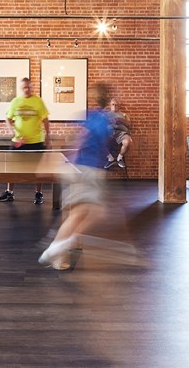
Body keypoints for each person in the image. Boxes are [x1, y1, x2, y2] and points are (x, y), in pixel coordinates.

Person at [39, 82, 115, 270]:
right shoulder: (100, 118)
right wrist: (70, 164)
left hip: (87, 169)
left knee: (77, 214)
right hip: (86, 170)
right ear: (106, 99)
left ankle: (58, 255)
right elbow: (82, 139)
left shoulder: (94, 116)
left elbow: (80, 138)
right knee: (91, 213)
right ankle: (55, 248)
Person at [0, 77, 51, 204]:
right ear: (21, 88)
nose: (26, 89)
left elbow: (45, 119)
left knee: (37, 169)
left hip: (36, 141)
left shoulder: (38, 101)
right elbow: (8, 119)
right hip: (18, 141)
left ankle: (38, 193)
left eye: (28, 87)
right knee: (12, 168)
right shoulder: (15, 101)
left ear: (31, 87)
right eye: (24, 87)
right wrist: (12, 131)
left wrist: (48, 135)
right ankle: (9, 192)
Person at [105, 98, 133, 170]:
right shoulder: (106, 115)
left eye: (116, 105)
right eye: (113, 104)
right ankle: (110, 159)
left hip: (122, 133)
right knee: (98, 141)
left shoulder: (124, 115)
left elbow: (129, 125)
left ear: (119, 106)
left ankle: (119, 158)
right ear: (110, 105)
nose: (114, 106)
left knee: (128, 142)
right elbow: (101, 125)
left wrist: (120, 120)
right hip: (109, 133)